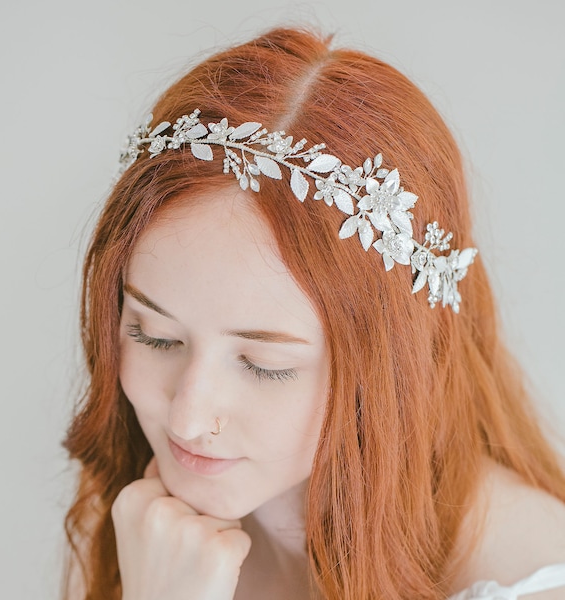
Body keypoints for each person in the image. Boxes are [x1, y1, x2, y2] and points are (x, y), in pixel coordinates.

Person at [62, 28, 565, 600]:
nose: (187, 420)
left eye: (264, 364)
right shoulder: (148, 523)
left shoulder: (533, 582)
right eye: (154, 337)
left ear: (393, 366)